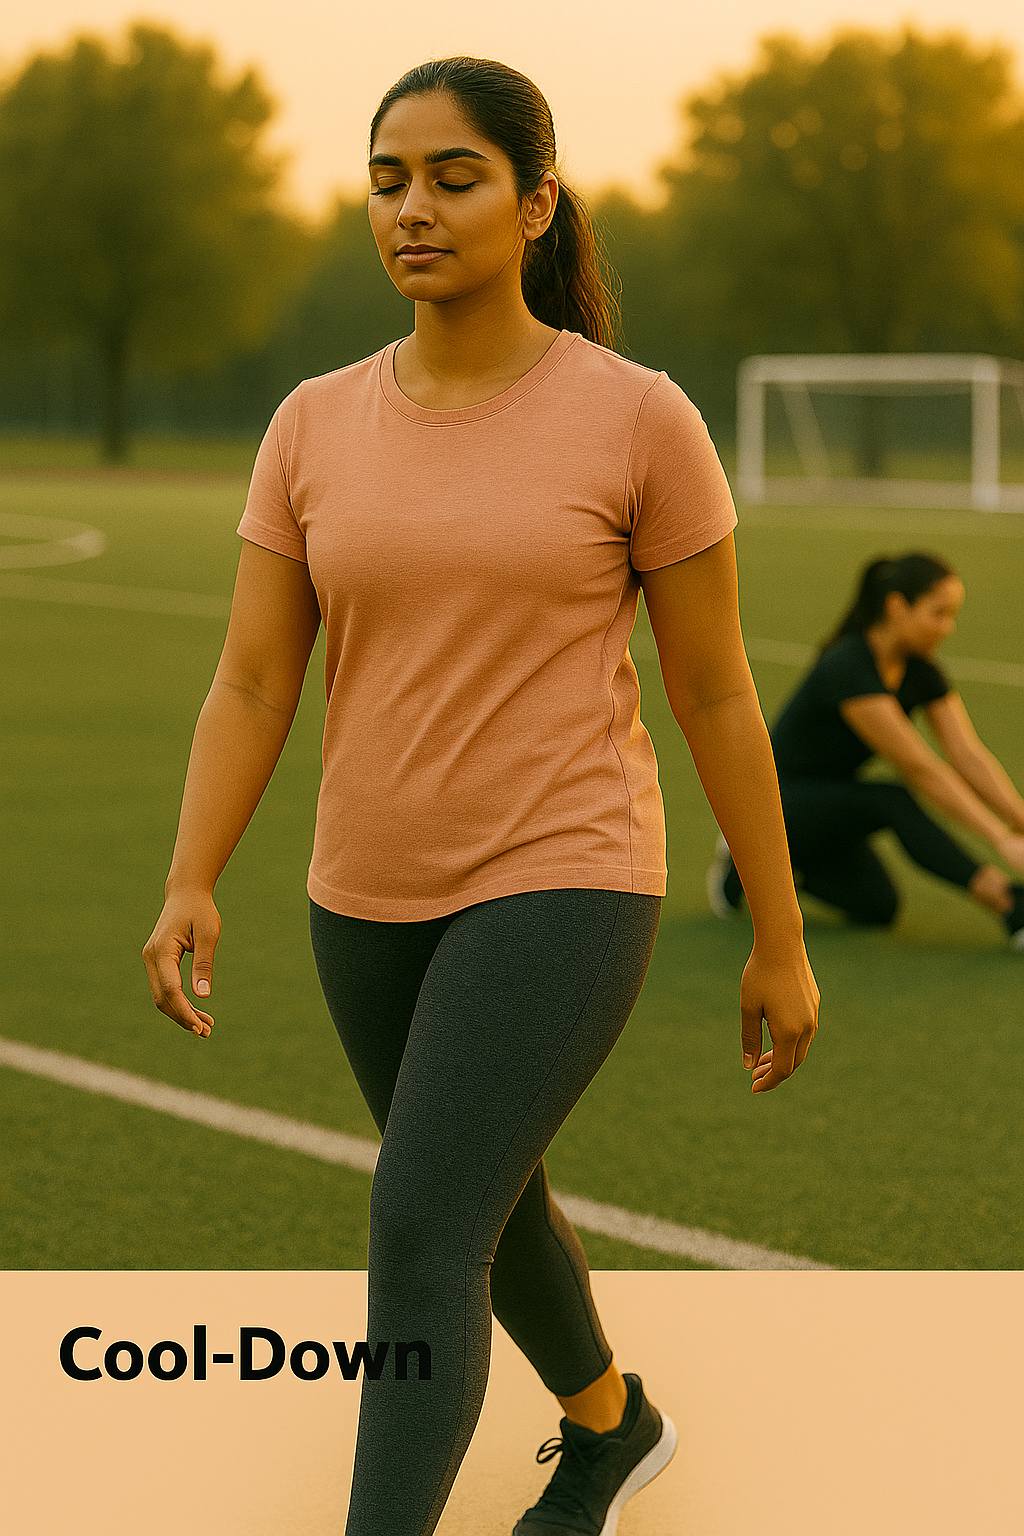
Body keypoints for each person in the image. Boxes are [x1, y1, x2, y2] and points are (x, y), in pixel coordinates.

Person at [143, 56, 818, 1536]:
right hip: (361, 892)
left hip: (567, 873)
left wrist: (778, 930)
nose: (414, 208)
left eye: (454, 178)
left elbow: (715, 693)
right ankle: (615, 1426)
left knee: (421, 1218)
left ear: (534, 203)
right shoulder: (311, 423)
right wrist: (192, 875)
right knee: (487, 1203)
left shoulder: (638, 420)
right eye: (389, 180)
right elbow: (252, 681)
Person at [708, 552, 1024, 946]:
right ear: (897, 606)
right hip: (773, 801)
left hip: (829, 803)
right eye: (939, 613)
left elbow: (968, 754)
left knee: (878, 906)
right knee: (892, 799)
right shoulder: (848, 666)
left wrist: (1019, 819)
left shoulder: (920, 668)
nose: (948, 627)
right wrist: (1000, 838)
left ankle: (757, 868)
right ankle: (1011, 905)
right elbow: (921, 768)